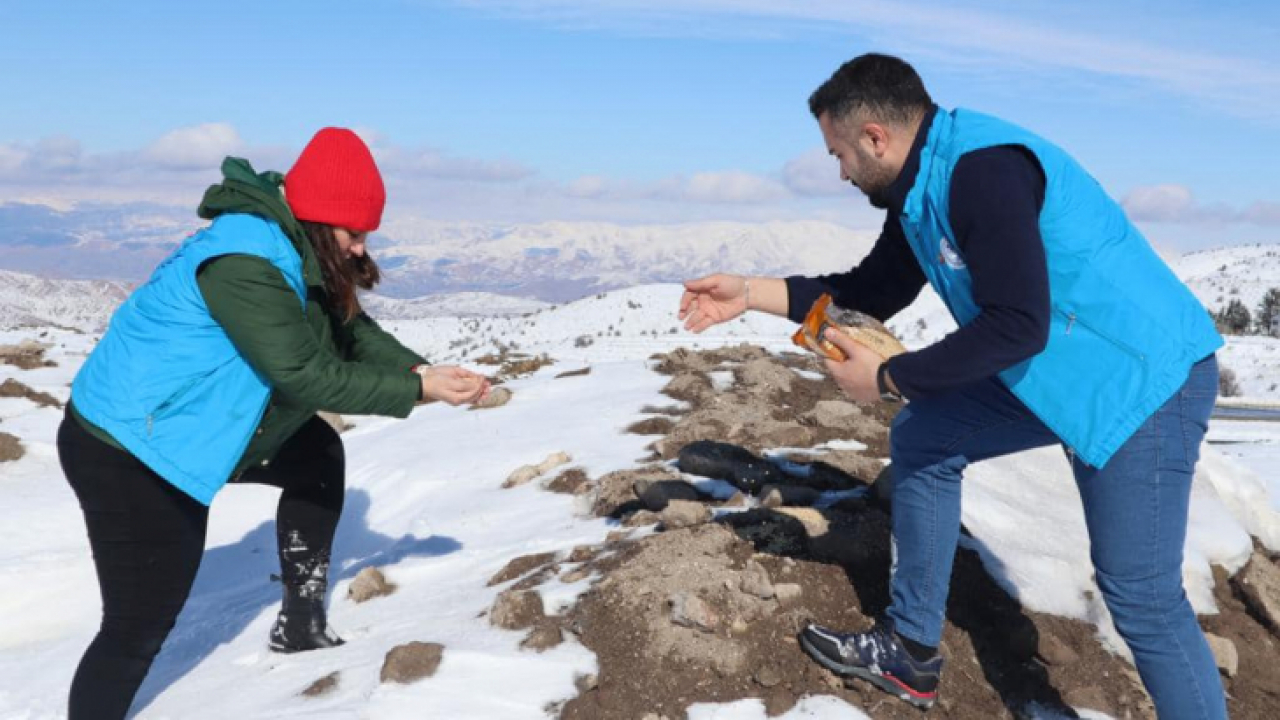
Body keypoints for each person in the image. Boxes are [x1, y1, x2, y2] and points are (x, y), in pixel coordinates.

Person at [679, 54, 1225, 718]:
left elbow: (1018, 325)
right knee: (927, 434)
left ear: (875, 136)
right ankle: (910, 653)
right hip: (1056, 371)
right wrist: (749, 295)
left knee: (1140, 596)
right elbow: (871, 291)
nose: (840, 171)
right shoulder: (921, 186)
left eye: (839, 153)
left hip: (1141, 382)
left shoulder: (982, 172)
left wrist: (888, 376)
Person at [59, 127, 490, 720]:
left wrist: (415, 366)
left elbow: (351, 330)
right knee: (137, 624)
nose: (362, 249)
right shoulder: (245, 261)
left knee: (316, 453)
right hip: (132, 447)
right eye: (355, 234)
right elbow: (305, 376)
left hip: (201, 424)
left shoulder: (298, 249)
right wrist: (418, 389)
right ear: (319, 218)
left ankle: (302, 623)